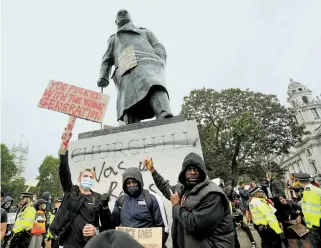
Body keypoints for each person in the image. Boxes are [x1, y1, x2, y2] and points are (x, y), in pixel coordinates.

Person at [97, 9, 173, 124]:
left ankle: (164, 113)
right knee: (128, 100)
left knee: (155, 84)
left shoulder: (145, 32)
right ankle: (130, 124)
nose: (123, 14)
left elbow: (159, 47)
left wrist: (159, 60)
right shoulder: (113, 39)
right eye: (119, 14)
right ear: (116, 21)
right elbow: (106, 60)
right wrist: (103, 76)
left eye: (125, 13)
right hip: (125, 67)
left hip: (148, 62)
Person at [145, 153, 234, 248]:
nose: (192, 172)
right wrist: (153, 170)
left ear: (202, 171)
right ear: (184, 172)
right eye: (189, 169)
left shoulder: (212, 195)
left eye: (196, 169)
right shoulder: (183, 189)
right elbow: (166, 188)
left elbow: (196, 226)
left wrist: (176, 206)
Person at [49, 131, 113, 248]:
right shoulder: (70, 191)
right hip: (66, 244)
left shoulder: (97, 198)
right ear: (79, 179)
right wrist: (64, 146)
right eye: (85, 176)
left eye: (91, 177)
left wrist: (97, 229)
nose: (88, 178)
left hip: (88, 244)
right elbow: (63, 170)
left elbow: (109, 226)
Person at [112, 167, 169, 247]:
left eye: (134, 182)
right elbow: (113, 226)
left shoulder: (152, 198)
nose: (131, 185)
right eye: (128, 183)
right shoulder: (121, 200)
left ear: (140, 182)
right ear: (124, 185)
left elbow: (164, 229)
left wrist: (156, 245)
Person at [293, 173, 321, 248]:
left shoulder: (306, 192)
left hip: (314, 226)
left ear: (298, 182)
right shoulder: (317, 190)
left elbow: (302, 205)